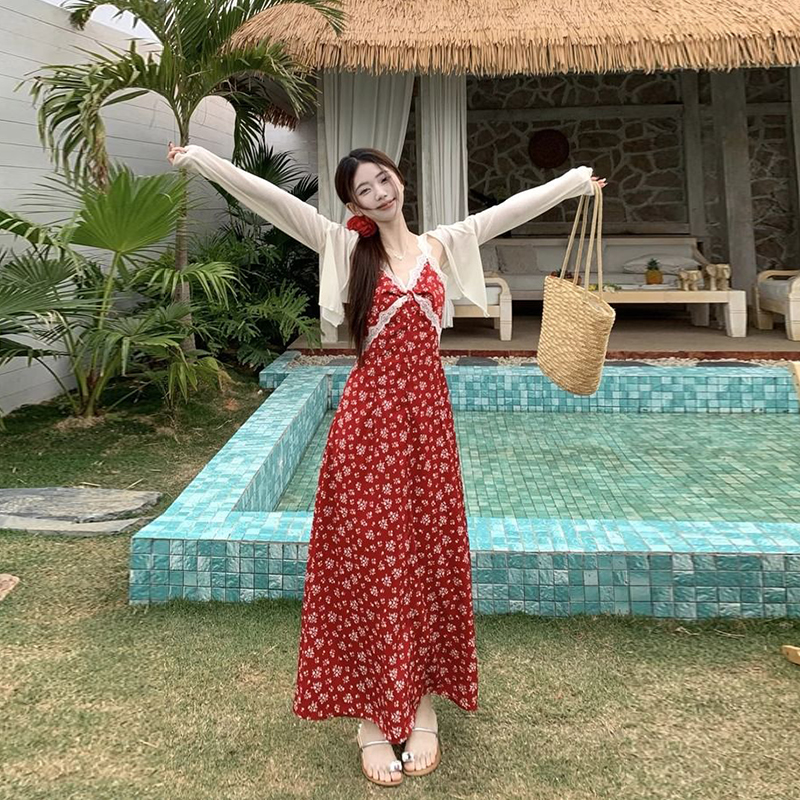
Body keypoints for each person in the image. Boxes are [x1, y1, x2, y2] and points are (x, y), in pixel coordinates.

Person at [167, 140, 606, 787]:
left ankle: (421, 701)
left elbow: (511, 210)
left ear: (398, 178)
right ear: (354, 204)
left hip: (429, 429)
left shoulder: (441, 246)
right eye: (363, 190)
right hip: (368, 429)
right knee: (370, 564)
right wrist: (202, 160)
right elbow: (272, 201)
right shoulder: (345, 247)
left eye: (383, 179)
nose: (379, 193)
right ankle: (372, 718)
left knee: (427, 559)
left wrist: (574, 182)